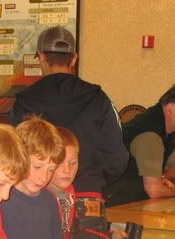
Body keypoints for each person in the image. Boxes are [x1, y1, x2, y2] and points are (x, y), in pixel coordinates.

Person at [10, 26, 128, 203]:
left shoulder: (24, 101)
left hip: (38, 196)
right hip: (87, 196)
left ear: (41, 57)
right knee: (89, 232)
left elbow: (14, 154)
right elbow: (117, 158)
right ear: (73, 59)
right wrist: (91, 181)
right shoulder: (97, 98)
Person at [48, 127, 135, 239]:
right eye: (59, 163)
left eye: (73, 163)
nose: (67, 170)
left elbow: (76, 234)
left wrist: (110, 237)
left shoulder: (68, 191)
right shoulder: (42, 198)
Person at [103, 84, 175, 207]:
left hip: (133, 203)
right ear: (170, 108)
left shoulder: (167, 131)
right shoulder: (150, 136)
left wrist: (162, 177)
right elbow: (154, 191)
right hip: (117, 208)